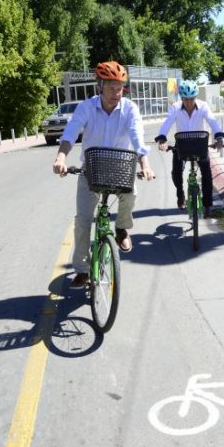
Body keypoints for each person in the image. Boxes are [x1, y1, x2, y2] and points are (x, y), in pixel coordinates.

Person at [53, 61, 155, 288]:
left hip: (120, 168)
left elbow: (137, 138)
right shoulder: (86, 107)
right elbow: (71, 132)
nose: (116, 93)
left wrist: (145, 164)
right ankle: (81, 270)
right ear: (100, 85)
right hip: (91, 169)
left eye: (120, 88)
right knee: (83, 221)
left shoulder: (130, 108)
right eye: (111, 88)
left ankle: (121, 228)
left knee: (131, 195)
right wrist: (61, 157)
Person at [154, 80, 224, 218]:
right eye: (185, 99)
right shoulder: (175, 107)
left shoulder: (203, 106)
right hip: (182, 146)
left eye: (191, 99)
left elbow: (213, 121)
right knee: (176, 172)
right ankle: (180, 194)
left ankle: (208, 205)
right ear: (181, 98)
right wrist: (162, 138)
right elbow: (167, 123)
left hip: (200, 144)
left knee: (207, 173)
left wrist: (219, 138)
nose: (188, 102)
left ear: (196, 97)